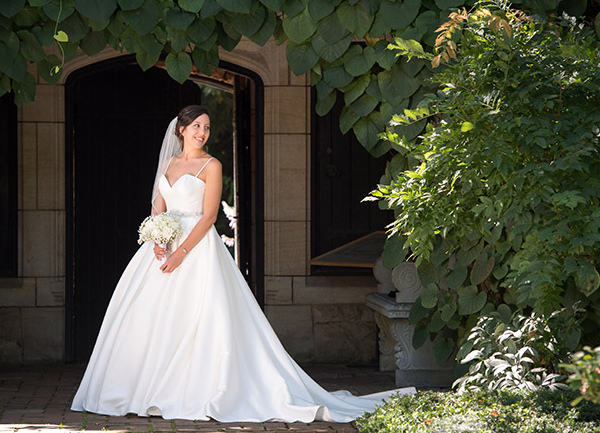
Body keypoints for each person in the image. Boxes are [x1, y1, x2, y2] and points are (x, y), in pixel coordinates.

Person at [71, 105, 413, 422]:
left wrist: (180, 252)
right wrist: (159, 241)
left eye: (206, 127)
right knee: (147, 319)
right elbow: (158, 207)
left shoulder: (212, 165)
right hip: (162, 248)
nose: (202, 132)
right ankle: (143, 388)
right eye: (196, 127)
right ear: (181, 130)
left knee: (202, 318)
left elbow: (207, 218)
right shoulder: (168, 164)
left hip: (196, 250)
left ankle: (196, 391)